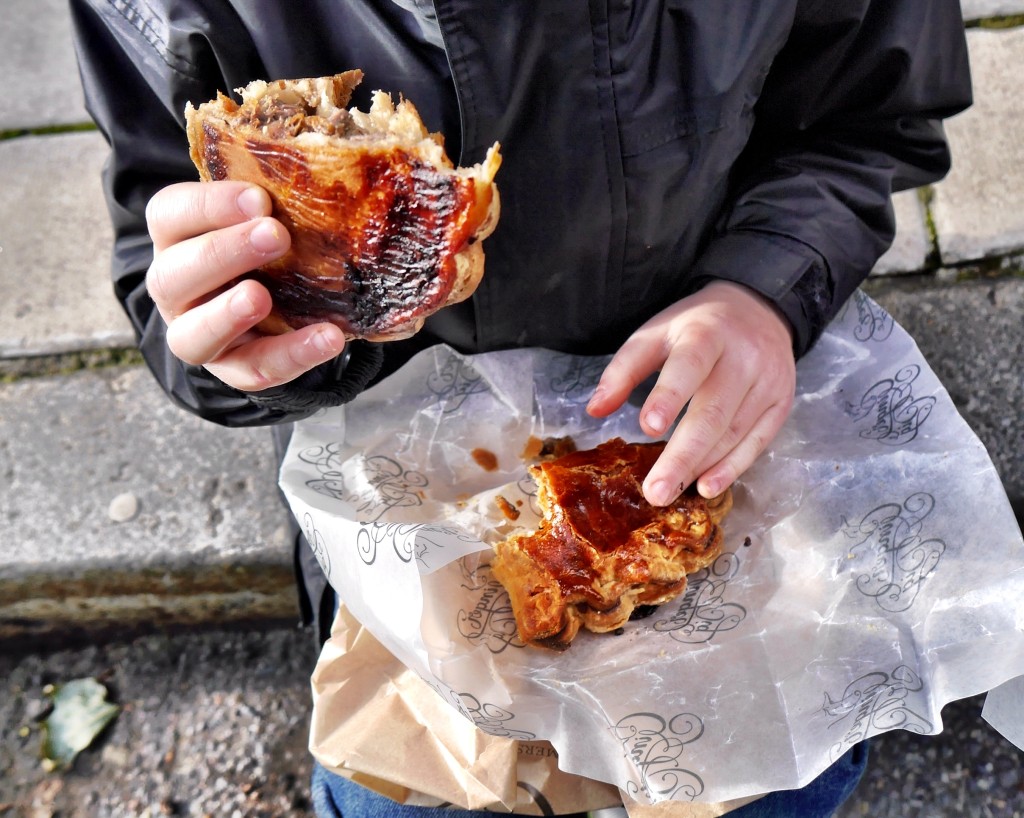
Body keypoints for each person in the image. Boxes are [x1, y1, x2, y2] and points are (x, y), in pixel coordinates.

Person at [70, 1, 971, 815]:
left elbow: (869, 111)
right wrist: (233, 333)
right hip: (399, 577)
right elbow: (162, 248)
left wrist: (767, 285)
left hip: (727, 450)